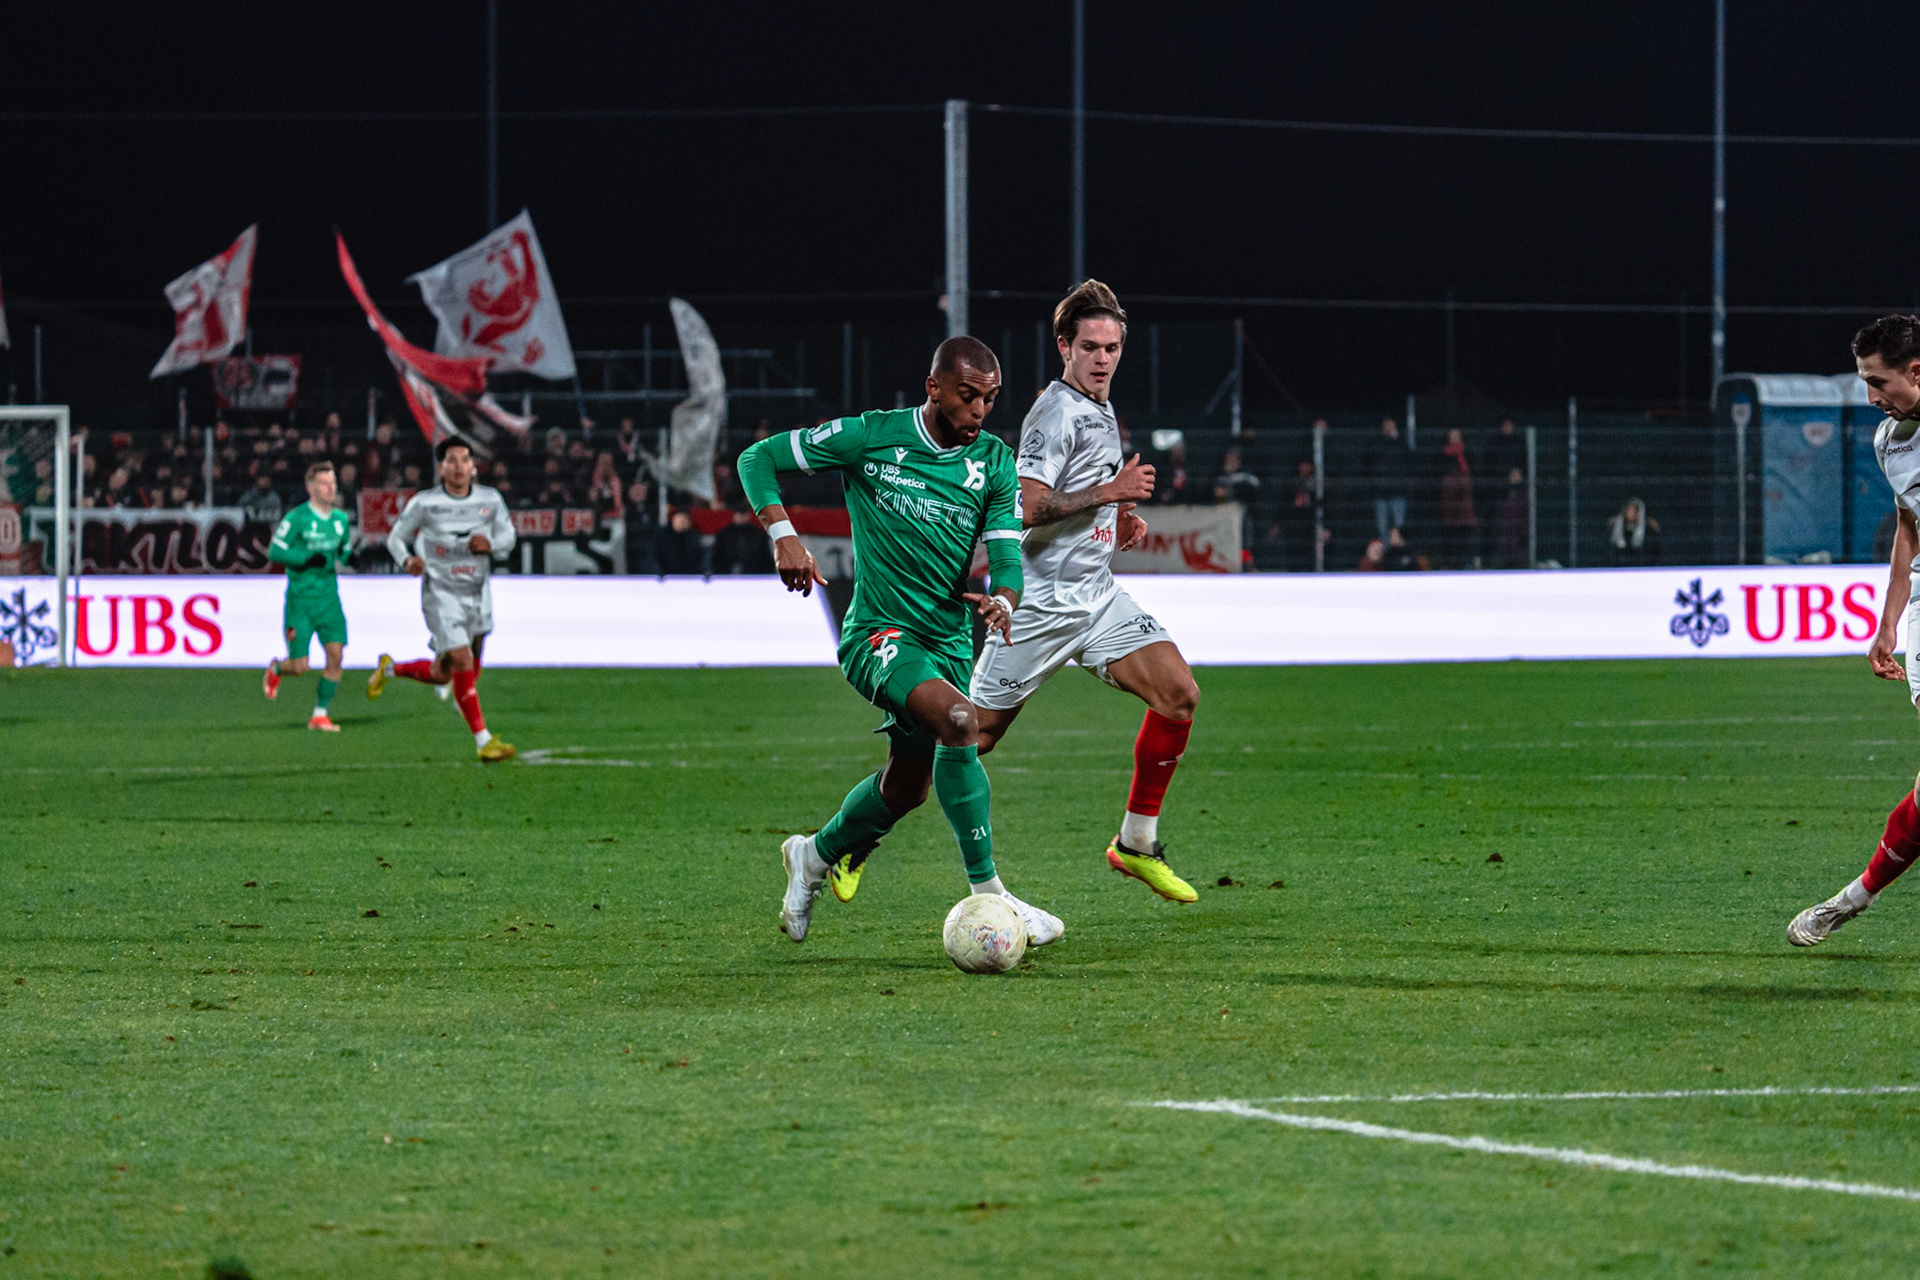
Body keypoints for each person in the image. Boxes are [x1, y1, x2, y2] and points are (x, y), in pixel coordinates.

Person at [736, 335, 1062, 949]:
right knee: (961, 722)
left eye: (990, 400)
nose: (979, 412)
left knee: (907, 786)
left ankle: (813, 855)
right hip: (877, 635)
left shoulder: (993, 460)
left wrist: (1004, 598)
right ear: (934, 387)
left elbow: (1007, 558)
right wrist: (783, 534)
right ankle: (993, 896)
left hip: (946, 644)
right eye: (968, 397)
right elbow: (757, 458)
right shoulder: (872, 435)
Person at [969, 281, 1203, 904]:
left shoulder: (1099, 406)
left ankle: (1135, 843)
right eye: (1091, 347)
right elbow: (1028, 504)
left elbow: (1083, 490)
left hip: (1095, 598)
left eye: (1113, 347)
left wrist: (1116, 515)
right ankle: (847, 838)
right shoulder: (1053, 413)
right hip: (1038, 607)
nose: (1103, 358)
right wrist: (1111, 492)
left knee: (1179, 695)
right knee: (970, 737)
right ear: (1063, 347)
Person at [1790, 313, 1920, 946]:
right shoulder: (1890, 441)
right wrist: (1888, 620)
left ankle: (1850, 899)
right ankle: (1851, 900)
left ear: (1916, 371)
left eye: (1877, 381)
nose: (1870, 397)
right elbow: (1908, 527)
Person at [365, 438, 519, 762]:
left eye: (465, 460)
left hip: (478, 592)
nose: (460, 466)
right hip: (441, 593)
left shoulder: (490, 500)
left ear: (473, 466)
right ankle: (484, 741)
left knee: (445, 672)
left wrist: (489, 543)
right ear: (441, 467)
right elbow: (395, 537)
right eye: (452, 460)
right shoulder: (425, 504)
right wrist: (407, 561)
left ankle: (389, 669)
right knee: (463, 661)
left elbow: (509, 537)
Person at [261, 460, 355, 731]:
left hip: (329, 600)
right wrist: (304, 558)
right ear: (311, 487)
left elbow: (343, 550)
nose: (330, 488)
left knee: (335, 655)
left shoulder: (340, 520)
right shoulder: (296, 518)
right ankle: (278, 669)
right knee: (300, 666)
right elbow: (274, 552)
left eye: (333, 483)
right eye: (324, 483)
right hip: (300, 602)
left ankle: (319, 714)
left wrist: (353, 557)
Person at [1436, 428, 1476, 569]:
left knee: (1464, 532)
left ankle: (1464, 561)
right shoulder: (1441, 455)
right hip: (1449, 503)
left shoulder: (1468, 453)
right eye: (1452, 435)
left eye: (1457, 435)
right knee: (1450, 533)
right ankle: (1449, 562)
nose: (1455, 438)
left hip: (1465, 502)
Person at [1368, 416, 1411, 544]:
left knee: (1400, 527)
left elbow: (1408, 459)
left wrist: (1396, 440)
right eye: (1387, 426)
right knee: (1382, 528)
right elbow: (1369, 461)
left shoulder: (1401, 443)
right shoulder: (1375, 443)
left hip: (1398, 492)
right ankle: (1386, 557)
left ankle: (1399, 555)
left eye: (1392, 426)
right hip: (1380, 492)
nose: (1389, 429)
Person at [1606, 497, 1661, 566]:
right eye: (1629, 510)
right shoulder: (1617, 525)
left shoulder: (1647, 527)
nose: (1632, 513)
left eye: (1635, 510)